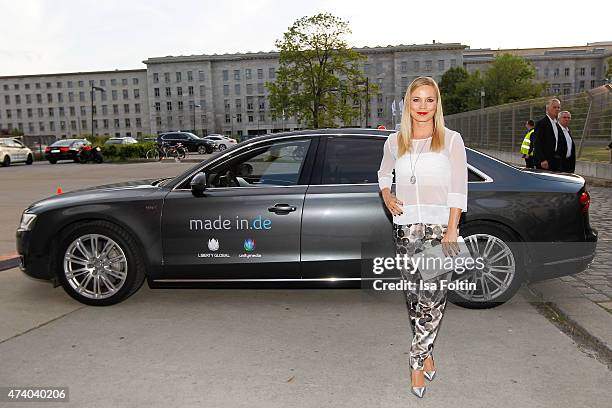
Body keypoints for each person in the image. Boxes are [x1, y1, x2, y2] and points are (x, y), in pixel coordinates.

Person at [377, 76, 468, 398]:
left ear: (437, 104)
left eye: (430, 100)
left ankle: (415, 362)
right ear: (407, 103)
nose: (423, 107)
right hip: (404, 229)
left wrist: (453, 229)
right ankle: (427, 350)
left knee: (432, 300)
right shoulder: (394, 142)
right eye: (417, 100)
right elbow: (383, 173)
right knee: (416, 299)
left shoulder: (451, 140)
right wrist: (387, 195)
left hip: (440, 229)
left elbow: (459, 188)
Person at [532, 98, 566, 171]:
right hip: (544, 163)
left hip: (555, 162)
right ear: (547, 108)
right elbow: (537, 143)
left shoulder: (557, 124)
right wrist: (542, 159)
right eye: (554, 107)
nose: (557, 109)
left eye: (558, 107)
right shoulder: (541, 123)